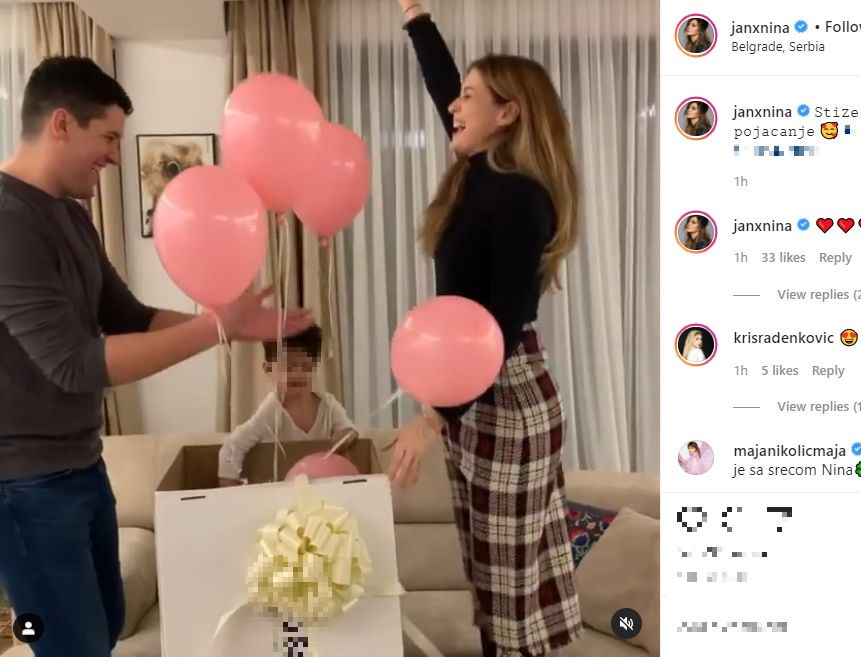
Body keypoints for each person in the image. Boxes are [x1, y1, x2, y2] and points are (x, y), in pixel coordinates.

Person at [0, 56, 311, 657]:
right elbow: (75, 363)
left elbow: (130, 317)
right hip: (23, 486)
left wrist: (237, 330)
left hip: (81, 466)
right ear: (60, 124)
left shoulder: (71, 217)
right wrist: (216, 328)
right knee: (69, 645)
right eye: (108, 137)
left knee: (105, 628)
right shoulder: (8, 221)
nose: (116, 156)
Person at [388, 2, 583, 655]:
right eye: (460, 95)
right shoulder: (479, 175)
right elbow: (445, 87)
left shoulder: (521, 197)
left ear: (508, 114)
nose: (454, 106)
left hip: (505, 392)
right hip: (474, 392)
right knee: (492, 580)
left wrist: (433, 416)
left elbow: (497, 324)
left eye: (471, 97)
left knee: (509, 597)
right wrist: (416, 17)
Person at [218, 324, 358, 486]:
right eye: (289, 366)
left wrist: (345, 435)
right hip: (282, 490)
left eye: (306, 366)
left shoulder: (328, 406)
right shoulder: (271, 411)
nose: (298, 373)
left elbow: (349, 430)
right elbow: (232, 446)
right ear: (268, 369)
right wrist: (229, 490)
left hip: (320, 487)